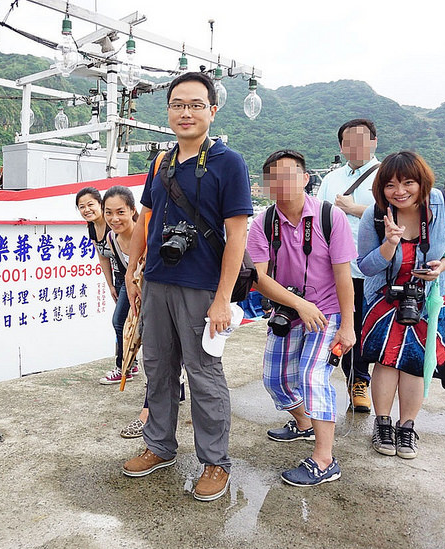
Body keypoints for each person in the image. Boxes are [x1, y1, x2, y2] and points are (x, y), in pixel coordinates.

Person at [121, 72, 252, 502]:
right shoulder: (161, 163)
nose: (186, 112)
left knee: (203, 374)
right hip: (157, 280)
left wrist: (221, 299)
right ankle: (159, 446)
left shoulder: (228, 163)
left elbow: (238, 236)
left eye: (196, 104)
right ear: (169, 111)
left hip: (201, 288)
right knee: (158, 368)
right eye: (178, 104)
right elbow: (144, 219)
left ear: (212, 111)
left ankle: (215, 461)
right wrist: (132, 268)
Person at [247, 150, 356, 486]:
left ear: (305, 178)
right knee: (274, 380)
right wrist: (299, 305)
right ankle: (304, 424)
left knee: (311, 377)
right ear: (267, 185)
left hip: (327, 313)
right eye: (274, 177)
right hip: (288, 312)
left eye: (290, 174)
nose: (282, 183)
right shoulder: (262, 223)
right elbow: (259, 279)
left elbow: (343, 276)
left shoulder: (329, 217)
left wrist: (348, 326)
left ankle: (324, 461)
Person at [358, 151, 445, 459]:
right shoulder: (375, 215)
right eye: (391, 185)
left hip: (431, 298)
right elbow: (365, 267)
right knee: (385, 360)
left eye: (409, 182)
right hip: (385, 298)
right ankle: (382, 424)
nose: (400, 191)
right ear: (381, 187)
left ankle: (407, 428)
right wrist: (389, 244)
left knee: (416, 364)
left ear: (423, 183)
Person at [316, 119, 381, 413]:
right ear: (341, 146)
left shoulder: (386, 176)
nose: (354, 146)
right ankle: (318, 380)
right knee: (331, 327)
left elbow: (399, 211)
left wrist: (354, 209)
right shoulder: (331, 179)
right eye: (348, 141)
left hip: (369, 269)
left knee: (362, 328)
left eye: (361, 140)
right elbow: (316, 216)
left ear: (374, 142)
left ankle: (359, 381)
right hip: (333, 269)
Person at [75, 187, 138, 384]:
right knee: (125, 323)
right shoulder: (93, 227)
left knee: (121, 322)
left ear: (100, 204)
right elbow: (102, 257)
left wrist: (129, 283)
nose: (87, 210)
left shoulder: (115, 225)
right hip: (120, 279)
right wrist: (110, 284)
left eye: (90, 204)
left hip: (133, 279)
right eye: (81, 207)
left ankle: (124, 366)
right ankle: (130, 362)